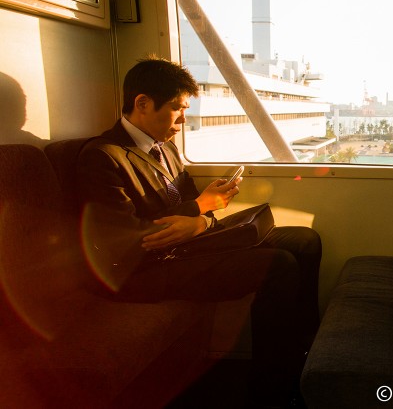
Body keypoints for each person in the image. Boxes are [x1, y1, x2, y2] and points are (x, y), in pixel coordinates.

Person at [76, 57, 321, 407]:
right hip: (143, 270)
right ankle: (272, 388)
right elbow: (127, 239)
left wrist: (203, 218)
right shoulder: (103, 157)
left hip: (189, 244)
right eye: (176, 109)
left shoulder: (168, 148)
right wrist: (199, 211)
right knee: (278, 265)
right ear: (142, 103)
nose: (182, 119)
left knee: (305, 241)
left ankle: (307, 351)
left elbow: (193, 205)